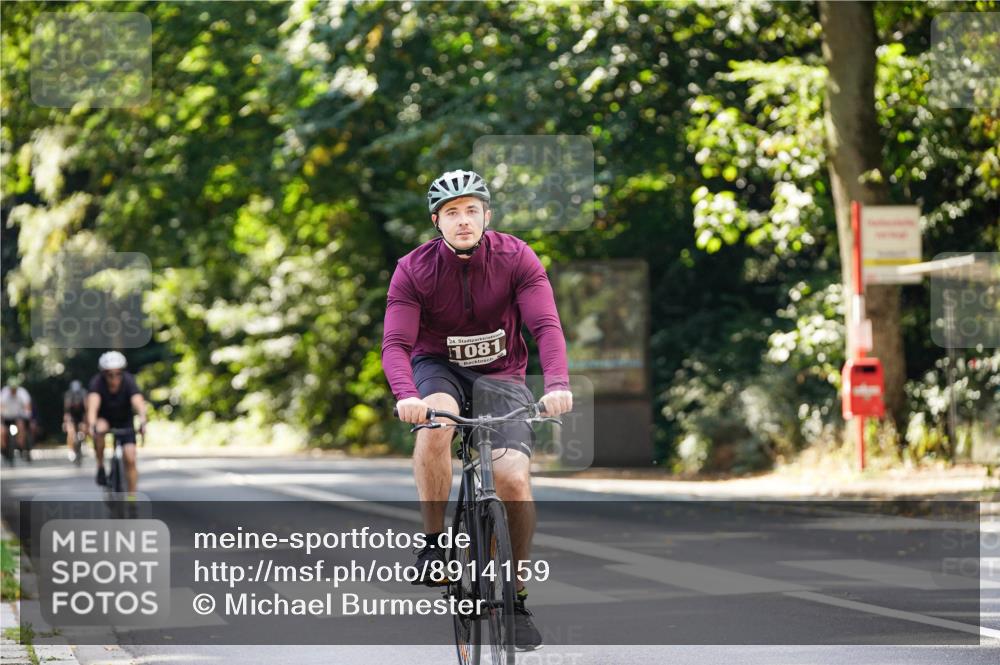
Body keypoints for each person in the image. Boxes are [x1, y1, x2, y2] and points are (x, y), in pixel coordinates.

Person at [382, 169, 573, 651]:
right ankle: (432, 543)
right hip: (437, 369)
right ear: (437, 222)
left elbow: (546, 327)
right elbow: (396, 343)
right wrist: (407, 394)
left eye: (472, 210)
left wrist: (557, 384)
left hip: (502, 374)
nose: (463, 220)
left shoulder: (517, 257)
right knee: (436, 423)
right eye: (452, 213)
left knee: (512, 478)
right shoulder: (413, 269)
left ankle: (515, 596)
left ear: (487, 215)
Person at [86, 351, 147, 495]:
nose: (114, 378)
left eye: (118, 373)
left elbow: (138, 401)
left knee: (130, 458)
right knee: (99, 429)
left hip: (125, 420)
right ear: (103, 374)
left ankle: (132, 498)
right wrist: (92, 424)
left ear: (122, 372)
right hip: (105, 418)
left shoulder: (128, 380)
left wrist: (143, 420)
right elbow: (93, 406)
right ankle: (100, 466)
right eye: (109, 374)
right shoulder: (97, 382)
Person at [0, 378, 32, 464]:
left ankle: (20, 445)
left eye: (15, 389)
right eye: (11, 389)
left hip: (18, 416)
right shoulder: (4, 393)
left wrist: (27, 413)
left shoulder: (22, 393)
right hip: (6, 417)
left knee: (21, 426)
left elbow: (27, 406)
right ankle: (3, 449)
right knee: (2, 431)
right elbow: (1, 405)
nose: (13, 391)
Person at [63, 380, 88, 462]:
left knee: (84, 427)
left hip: (81, 414)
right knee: (70, 431)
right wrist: (66, 422)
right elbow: (66, 411)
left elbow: (87, 409)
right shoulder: (68, 395)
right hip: (72, 415)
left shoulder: (84, 393)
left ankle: (83, 442)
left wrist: (86, 422)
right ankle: (71, 450)